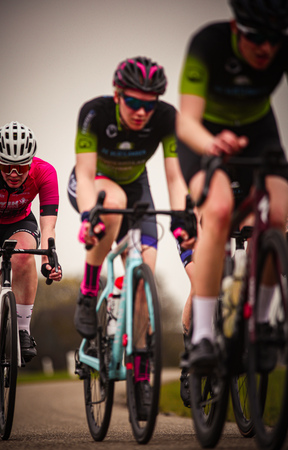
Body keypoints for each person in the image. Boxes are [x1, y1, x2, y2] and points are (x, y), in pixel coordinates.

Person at [68, 56, 194, 416]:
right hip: (94, 186)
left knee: (143, 283)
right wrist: (92, 215)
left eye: (149, 105)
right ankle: (89, 290)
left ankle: (140, 376)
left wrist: (183, 215)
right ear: (117, 94)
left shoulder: (167, 118)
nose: (141, 112)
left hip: (140, 191)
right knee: (113, 203)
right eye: (134, 102)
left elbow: (174, 177)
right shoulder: (95, 114)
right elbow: (86, 172)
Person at [176, 0, 288, 374]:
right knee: (219, 208)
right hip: (204, 135)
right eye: (256, 38)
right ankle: (204, 334)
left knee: (279, 213)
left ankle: (263, 321)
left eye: (274, 39)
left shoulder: (277, 49)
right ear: (236, 28)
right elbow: (187, 121)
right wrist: (211, 144)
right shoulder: (208, 44)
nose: (266, 49)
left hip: (258, 130)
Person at [0, 121, 62, 409]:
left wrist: (48, 260)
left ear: (30, 162)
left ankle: (21, 329)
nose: (13, 173)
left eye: (20, 167)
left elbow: (48, 229)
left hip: (19, 224)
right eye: (7, 165)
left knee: (24, 255)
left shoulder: (45, 173)